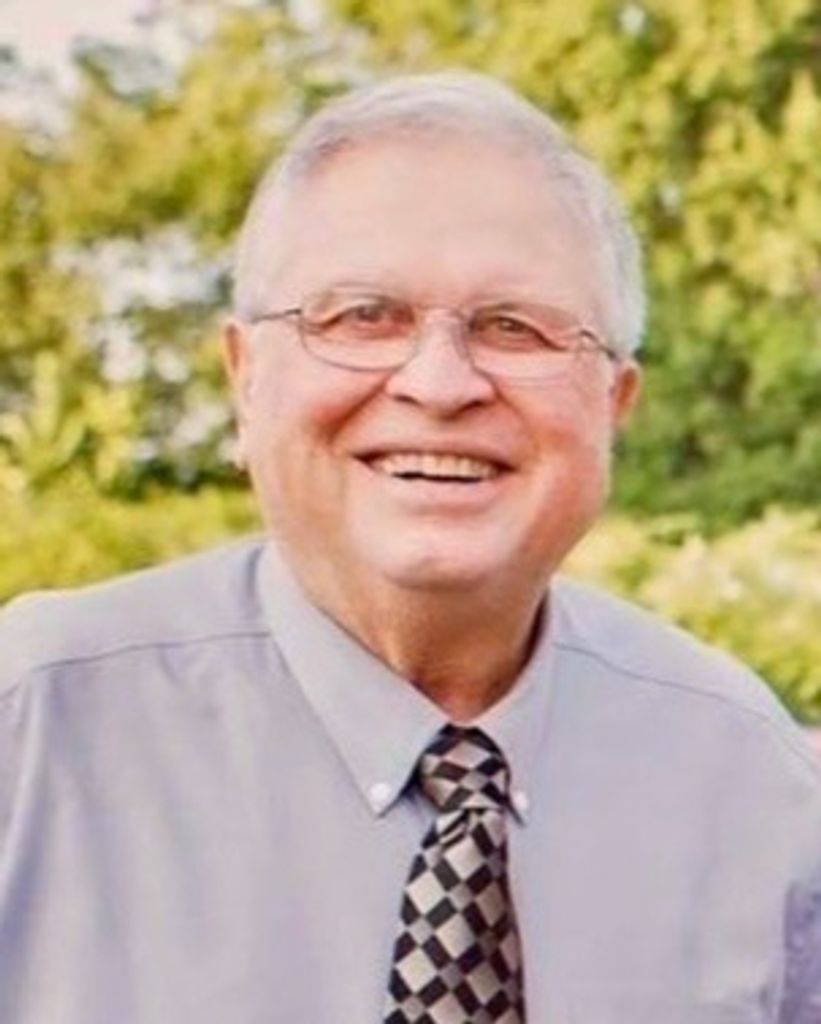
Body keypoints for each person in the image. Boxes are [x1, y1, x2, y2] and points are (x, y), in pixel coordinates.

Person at [0, 71, 819, 1024]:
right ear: (244, 375)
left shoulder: (750, 778)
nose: (440, 383)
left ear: (614, 404)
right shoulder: (30, 729)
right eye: (363, 316)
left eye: (513, 328)